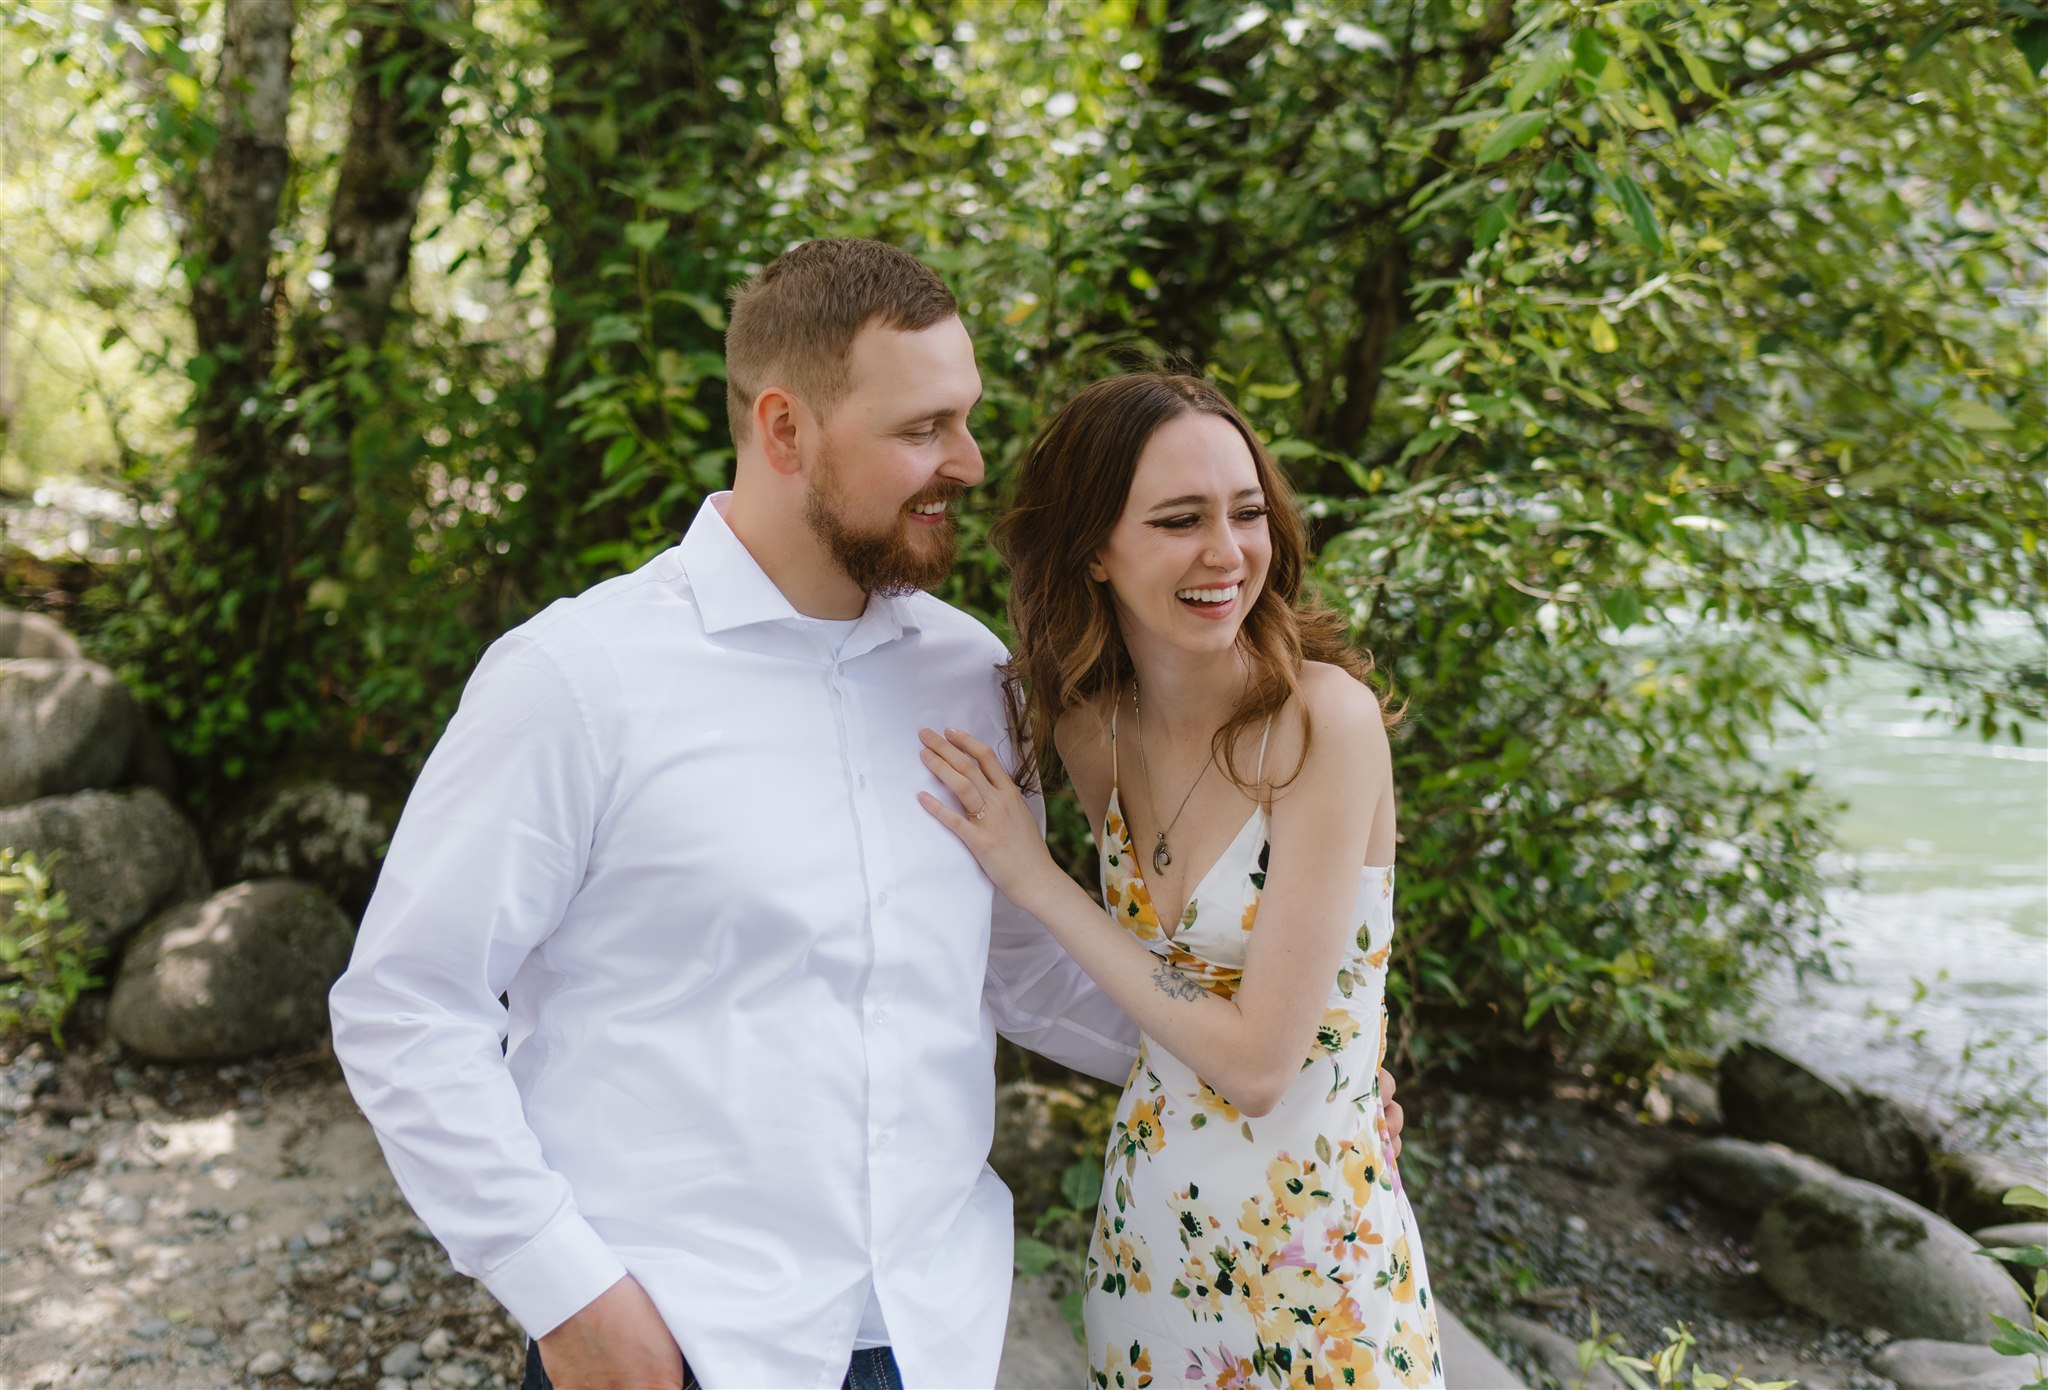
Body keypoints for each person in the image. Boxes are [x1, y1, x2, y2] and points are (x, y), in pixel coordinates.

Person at [329, 239, 1403, 1390]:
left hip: (931, 1332)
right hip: (686, 1342)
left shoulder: (967, 674)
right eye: (921, 430)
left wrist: (1298, 1071)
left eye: (967, 418)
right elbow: (407, 1005)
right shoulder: (577, 679)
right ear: (785, 431)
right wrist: (563, 1289)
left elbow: (1020, 970)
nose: (969, 460)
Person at [918, 373, 1443, 1388]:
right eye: (1177, 519)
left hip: (1321, 1270)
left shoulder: (1321, 723)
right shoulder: (1085, 728)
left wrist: (1037, 879)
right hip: (1149, 1243)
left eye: (1245, 512)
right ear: (1093, 552)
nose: (1225, 552)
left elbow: (1256, 1067)